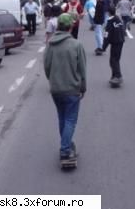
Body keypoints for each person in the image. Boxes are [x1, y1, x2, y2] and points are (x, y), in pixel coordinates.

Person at [44, 13, 87, 164]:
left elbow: (46, 67)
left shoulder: (50, 44)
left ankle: (66, 144)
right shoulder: (76, 45)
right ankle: (65, 150)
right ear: (71, 26)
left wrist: (53, 81)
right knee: (70, 119)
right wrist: (83, 87)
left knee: (62, 117)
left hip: (56, 90)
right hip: (71, 89)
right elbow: (82, 69)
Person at [102, 6, 125, 85]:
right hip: (121, 41)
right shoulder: (118, 19)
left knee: (113, 60)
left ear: (108, 13)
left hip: (115, 42)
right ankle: (114, 75)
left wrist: (103, 47)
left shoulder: (110, 22)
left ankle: (118, 76)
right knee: (116, 59)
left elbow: (106, 35)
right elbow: (123, 30)